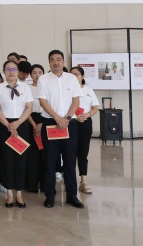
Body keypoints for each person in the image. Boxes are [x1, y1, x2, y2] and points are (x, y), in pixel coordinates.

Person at [37, 50, 84, 209]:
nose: (56, 62)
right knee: (50, 161)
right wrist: (57, 118)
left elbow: (76, 101)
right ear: (49, 63)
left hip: (69, 124)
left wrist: (67, 118)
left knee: (70, 161)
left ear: (63, 62)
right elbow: (43, 102)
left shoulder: (71, 78)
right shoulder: (43, 79)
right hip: (50, 123)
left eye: (58, 59)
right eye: (52, 59)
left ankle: (72, 195)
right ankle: (50, 195)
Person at [0, 60, 33, 208]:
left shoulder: (25, 87)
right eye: (8, 69)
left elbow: (29, 107)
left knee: (21, 160)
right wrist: (9, 125)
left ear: (17, 71)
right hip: (5, 126)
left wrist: (18, 123)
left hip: (21, 125)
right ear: (4, 71)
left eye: (13, 69)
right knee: (7, 159)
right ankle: (9, 193)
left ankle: (19, 193)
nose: (11, 72)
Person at [70, 66, 99, 195]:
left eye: (76, 74)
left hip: (85, 123)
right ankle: (70, 181)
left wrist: (88, 114)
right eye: (72, 74)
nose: (74, 76)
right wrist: (74, 117)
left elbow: (95, 107)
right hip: (71, 122)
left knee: (83, 152)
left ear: (82, 76)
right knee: (70, 153)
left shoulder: (88, 90)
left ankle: (84, 182)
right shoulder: (67, 90)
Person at [25, 64, 46, 193]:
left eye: (40, 72)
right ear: (30, 75)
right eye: (34, 73)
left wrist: (42, 124)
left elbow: (51, 106)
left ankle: (45, 184)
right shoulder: (27, 88)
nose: (37, 75)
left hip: (46, 120)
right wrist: (34, 125)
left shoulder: (47, 87)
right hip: (30, 120)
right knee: (32, 154)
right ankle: (31, 184)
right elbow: (26, 108)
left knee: (45, 153)